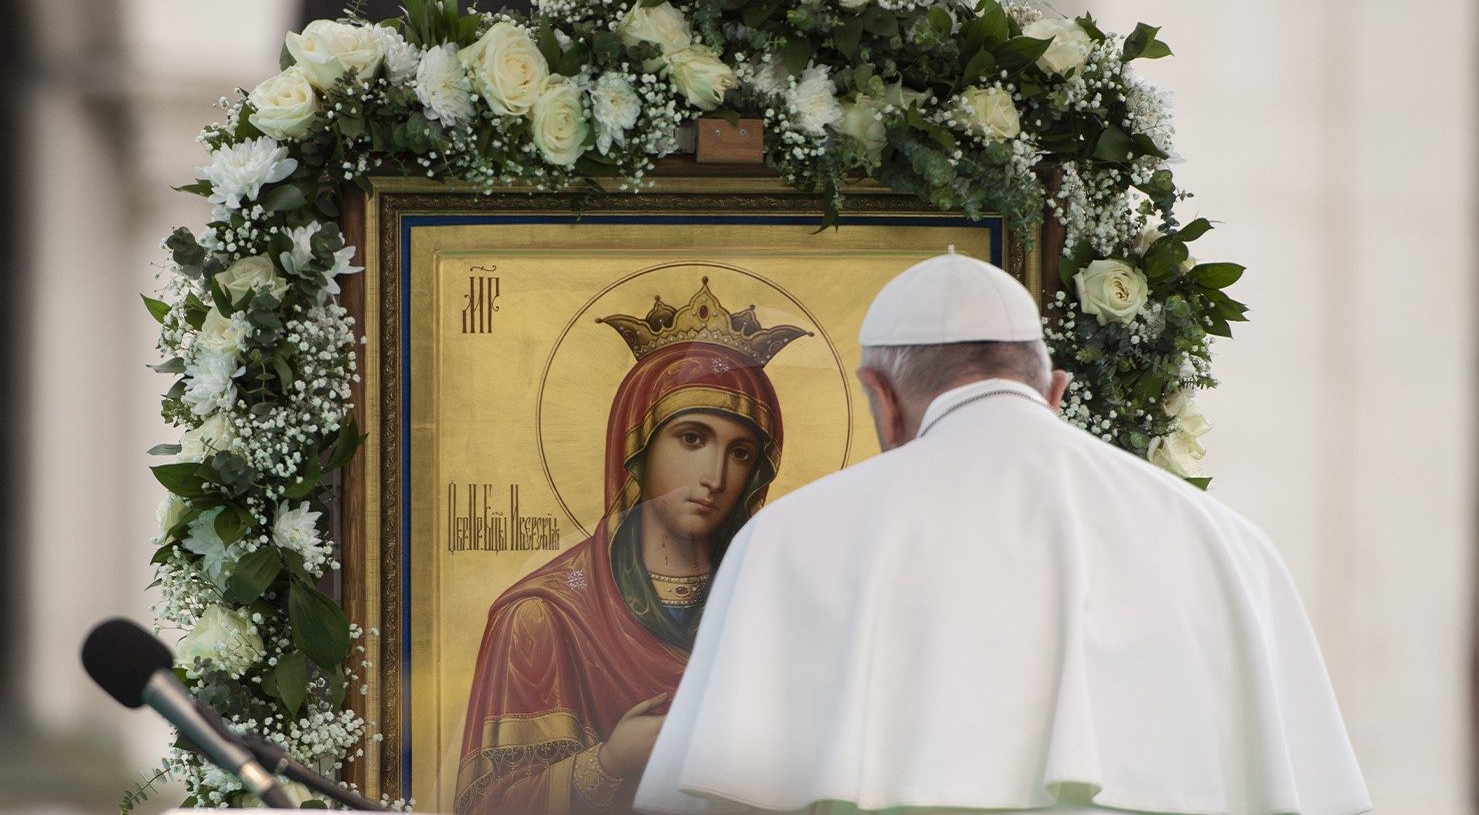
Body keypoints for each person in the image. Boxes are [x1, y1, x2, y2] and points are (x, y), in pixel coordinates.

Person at [637, 252, 1371, 815]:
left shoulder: (788, 542)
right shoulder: (1231, 549)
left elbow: (716, 794)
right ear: (1055, 393)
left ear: (882, 400)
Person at [454, 278, 810, 814]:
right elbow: (487, 806)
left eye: (740, 453)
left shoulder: (781, 609)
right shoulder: (543, 615)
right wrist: (610, 762)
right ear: (636, 445)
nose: (714, 475)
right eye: (692, 438)